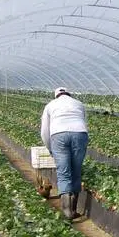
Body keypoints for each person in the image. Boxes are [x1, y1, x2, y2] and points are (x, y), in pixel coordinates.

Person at [40, 87, 89, 220]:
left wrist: (50, 148)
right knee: (76, 171)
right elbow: (84, 123)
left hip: (59, 135)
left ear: (56, 96)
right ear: (69, 94)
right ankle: (73, 209)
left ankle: (67, 212)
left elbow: (44, 131)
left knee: (64, 173)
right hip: (80, 133)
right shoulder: (78, 103)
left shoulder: (50, 105)